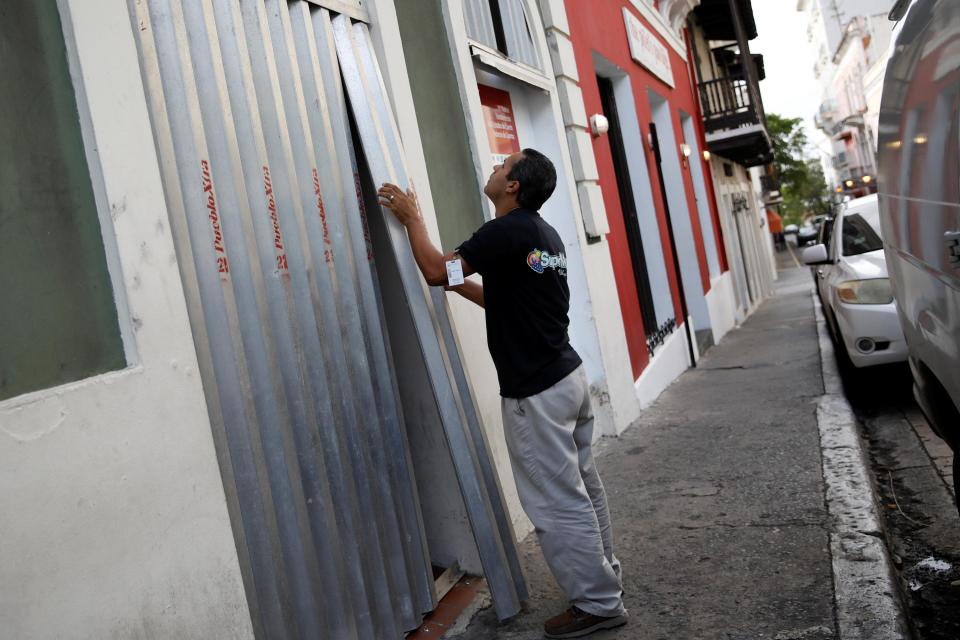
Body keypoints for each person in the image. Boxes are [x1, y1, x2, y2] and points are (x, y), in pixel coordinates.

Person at [378, 149, 627, 639]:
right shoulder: (543, 236)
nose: (493, 168)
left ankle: (598, 603)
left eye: (502, 165)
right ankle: (606, 576)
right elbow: (503, 298)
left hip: (536, 389)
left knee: (557, 503)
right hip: (566, 379)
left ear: (512, 185)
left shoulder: (505, 230)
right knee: (583, 487)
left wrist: (411, 219)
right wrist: (460, 287)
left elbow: (433, 270)